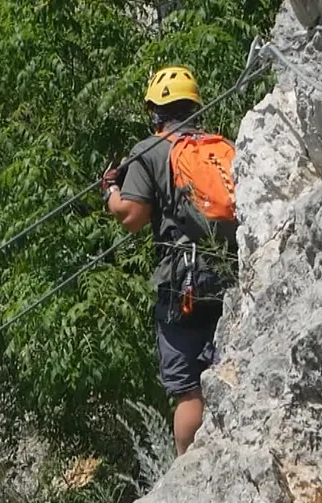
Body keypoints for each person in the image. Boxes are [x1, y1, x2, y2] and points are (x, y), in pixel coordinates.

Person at [104, 65, 239, 457]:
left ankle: (187, 474)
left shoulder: (150, 151)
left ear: (156, 112)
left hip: (183, 286)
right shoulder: (220, 148)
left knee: (188, 388)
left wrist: (110, 191)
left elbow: (131, 217)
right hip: (231, 277)